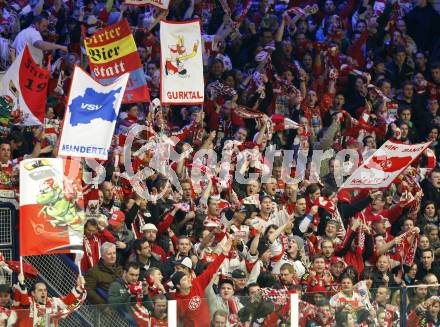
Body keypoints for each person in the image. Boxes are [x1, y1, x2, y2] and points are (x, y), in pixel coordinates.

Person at [172, 238, 232, 327]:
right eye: (184, 280)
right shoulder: (175, 301)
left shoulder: (197, 283)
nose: (188, 280)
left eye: (187, 278)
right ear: (178, 285)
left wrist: (223, 254)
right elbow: (172, 323)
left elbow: (211, 270)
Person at [14, 271, 86, 326]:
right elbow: (24, 304)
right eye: (40, 290)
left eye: (45, 290)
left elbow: (67, 303)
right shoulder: (29, 302)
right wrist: (22, 284)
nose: (43, 292)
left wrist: (78, 288)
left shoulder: (53, 302)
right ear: (33, 293)